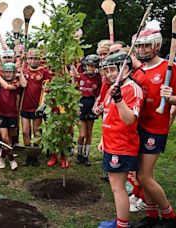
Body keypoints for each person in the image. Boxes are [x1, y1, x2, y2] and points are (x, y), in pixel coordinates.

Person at [132, 29, 176, 228]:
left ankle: (169, 216)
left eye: (146, 45)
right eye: (139, 45)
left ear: (156, 46)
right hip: (137, 127)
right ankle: (151, 215)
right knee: (142, 174)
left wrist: (171, 98)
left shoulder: (169, 68)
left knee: (143, 175)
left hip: (155, 129)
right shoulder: (138, 71)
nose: (142, 49)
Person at [97, 52, 143, 228]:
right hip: (111, 142)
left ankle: (122, 225)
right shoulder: (113, 87)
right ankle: (120, 221)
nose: (109, 74)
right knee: (114, 185)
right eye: (106, 71)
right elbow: (108, 115)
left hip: (122, 145)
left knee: (118, 187)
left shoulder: (132, 88)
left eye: (112, 70)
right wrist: (103, 138)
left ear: (126, 69)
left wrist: (118, 99)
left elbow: (130, 119)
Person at [19, 49, 51, 166]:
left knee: (36, 132)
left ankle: (35, 154)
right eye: (31, 58)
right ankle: (29, 154)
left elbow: (47, 88)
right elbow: (22, 85)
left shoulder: (44, 72)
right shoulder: (24, 71)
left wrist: (42, 105)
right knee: (25, 131)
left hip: (37, 107)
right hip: (25, 106)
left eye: (36, 58)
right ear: (27, 60)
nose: (33, 61)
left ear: (40, 60)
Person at [75, 54, 101, 166]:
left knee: (89, 133)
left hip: (91, 104)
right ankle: (79, 155)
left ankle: (86, 157)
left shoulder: (98, 78)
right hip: (81, 104)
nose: (90, 68)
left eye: (93, 66)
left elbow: (99, 94)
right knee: (82, 134)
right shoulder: (80, 76)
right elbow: (73, 91)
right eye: (88, 66)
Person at [0, 62, 21, 170]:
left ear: (14, 73)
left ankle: (3, 157)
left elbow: (6, 86)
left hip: (12, 113)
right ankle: (11, 159)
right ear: (3, 72)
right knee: (5, 138)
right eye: (6, 72)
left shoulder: (16, 82)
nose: (8, 74)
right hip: (1, 113)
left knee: (9, 139)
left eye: (10, 72)